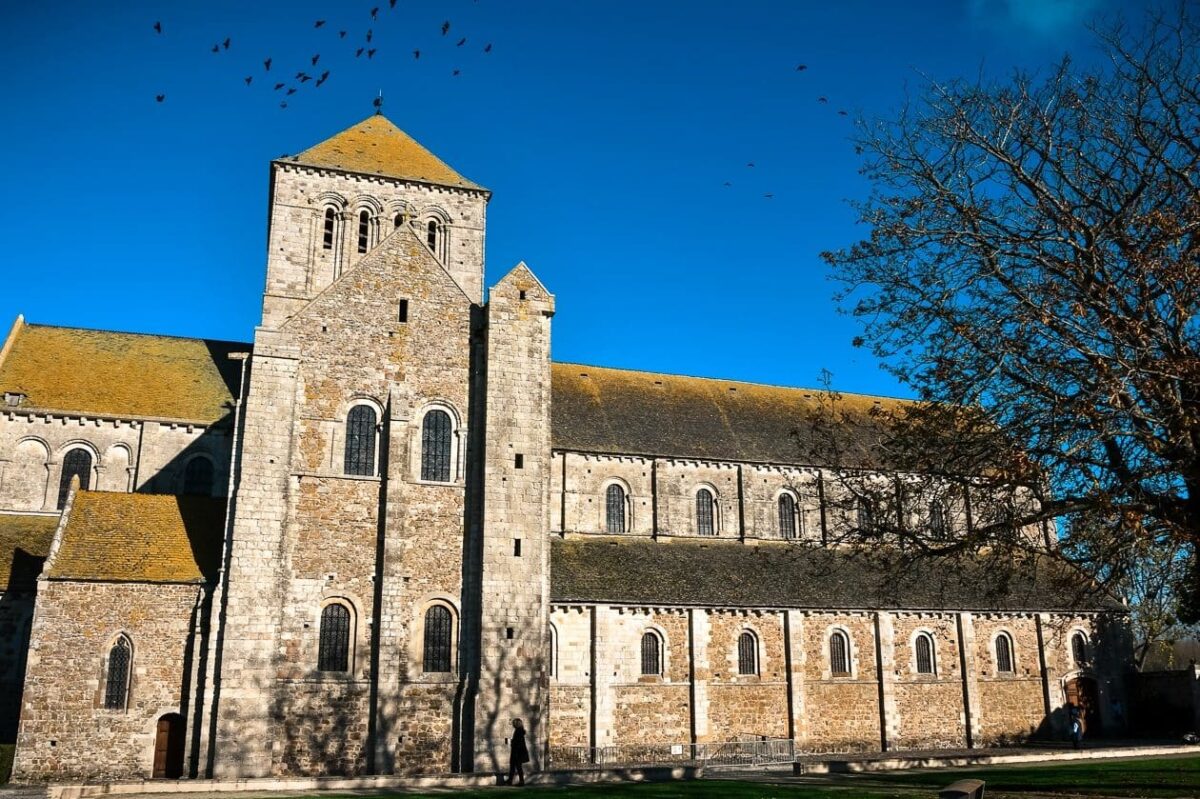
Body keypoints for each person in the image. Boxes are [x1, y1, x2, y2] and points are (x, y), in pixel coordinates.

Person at [508, 718, 530, 786]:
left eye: (514, 723)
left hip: (517, 753)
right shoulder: (518, 731)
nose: (513, 724)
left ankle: (521, 781)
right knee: (513, 766)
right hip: (517, 752)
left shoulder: (519, 731)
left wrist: (512, 742)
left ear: (517, 724)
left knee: (518, 767)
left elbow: (518, 743)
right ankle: (510, 780)